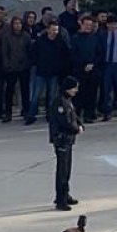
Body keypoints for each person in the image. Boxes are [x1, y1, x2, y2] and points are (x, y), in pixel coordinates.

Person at [49, 76, 84, 211]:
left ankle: (66, 194)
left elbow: (74, 116)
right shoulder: (60, 103)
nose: (76, 90)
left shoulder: (67, 101)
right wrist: (77, 129)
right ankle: (61, 199)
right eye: (74, 87)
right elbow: (65, 122)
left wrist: (80, 124)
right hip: (62, 139)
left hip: (68, 140)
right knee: (62, 171)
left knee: (67, 169)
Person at [28, 22, 70, 124]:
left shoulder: (61, 42)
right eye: (52, 30)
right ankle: (30, 116)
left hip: (54, 73)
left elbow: (66, 57)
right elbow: (33, 54)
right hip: (40, 72)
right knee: (36, 96)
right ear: (47, 30)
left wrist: (60, 68)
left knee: (52, 96)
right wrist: (37, 63)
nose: (54, 32)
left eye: (56, 30)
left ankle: (50, 115)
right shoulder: (40, 41)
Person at [69, 17, 101, 123]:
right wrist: (83, 65)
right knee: (78, 94)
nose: (88, 27)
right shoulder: (75, 38)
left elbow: (99, 54)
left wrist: (92, 64)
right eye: (86, 24)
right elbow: (73, 54)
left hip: (93, 70)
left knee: (91, 93)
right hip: (79, 71)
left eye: (90, 25)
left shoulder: (95, 38)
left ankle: (89, 115)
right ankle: (76, 116)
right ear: (81, 25)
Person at [1, 17, 32, 123]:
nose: (17, 25)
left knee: (25, 91)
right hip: (11, 68)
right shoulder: (7, 37)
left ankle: (26, 111)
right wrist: (7, 65)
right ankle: (8, 113)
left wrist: (27, 63)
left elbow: (29, 52)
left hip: (24, 67)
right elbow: (4, 53)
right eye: (15, 23)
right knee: (9, 91)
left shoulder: (26, 36)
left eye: (19, 23)